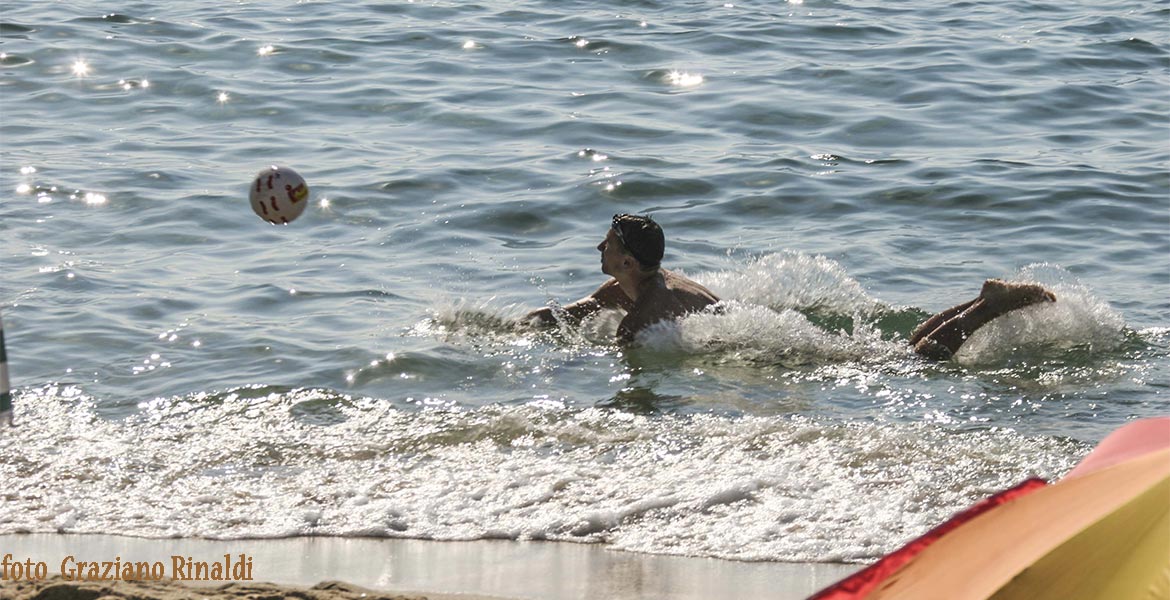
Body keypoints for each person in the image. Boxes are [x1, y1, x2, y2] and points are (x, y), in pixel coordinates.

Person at [525, 214, 1056, 358]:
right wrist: (506, 327)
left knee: (914, 361)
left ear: (630, 261)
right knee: (900, 353)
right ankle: (985, 300)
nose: (599, 251)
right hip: (767, 336)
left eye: (607, 245)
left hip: (778, 352)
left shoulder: (647, 305)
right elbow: (571, 314)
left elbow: (630, 356)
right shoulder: (634, 286)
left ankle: (987, 309)